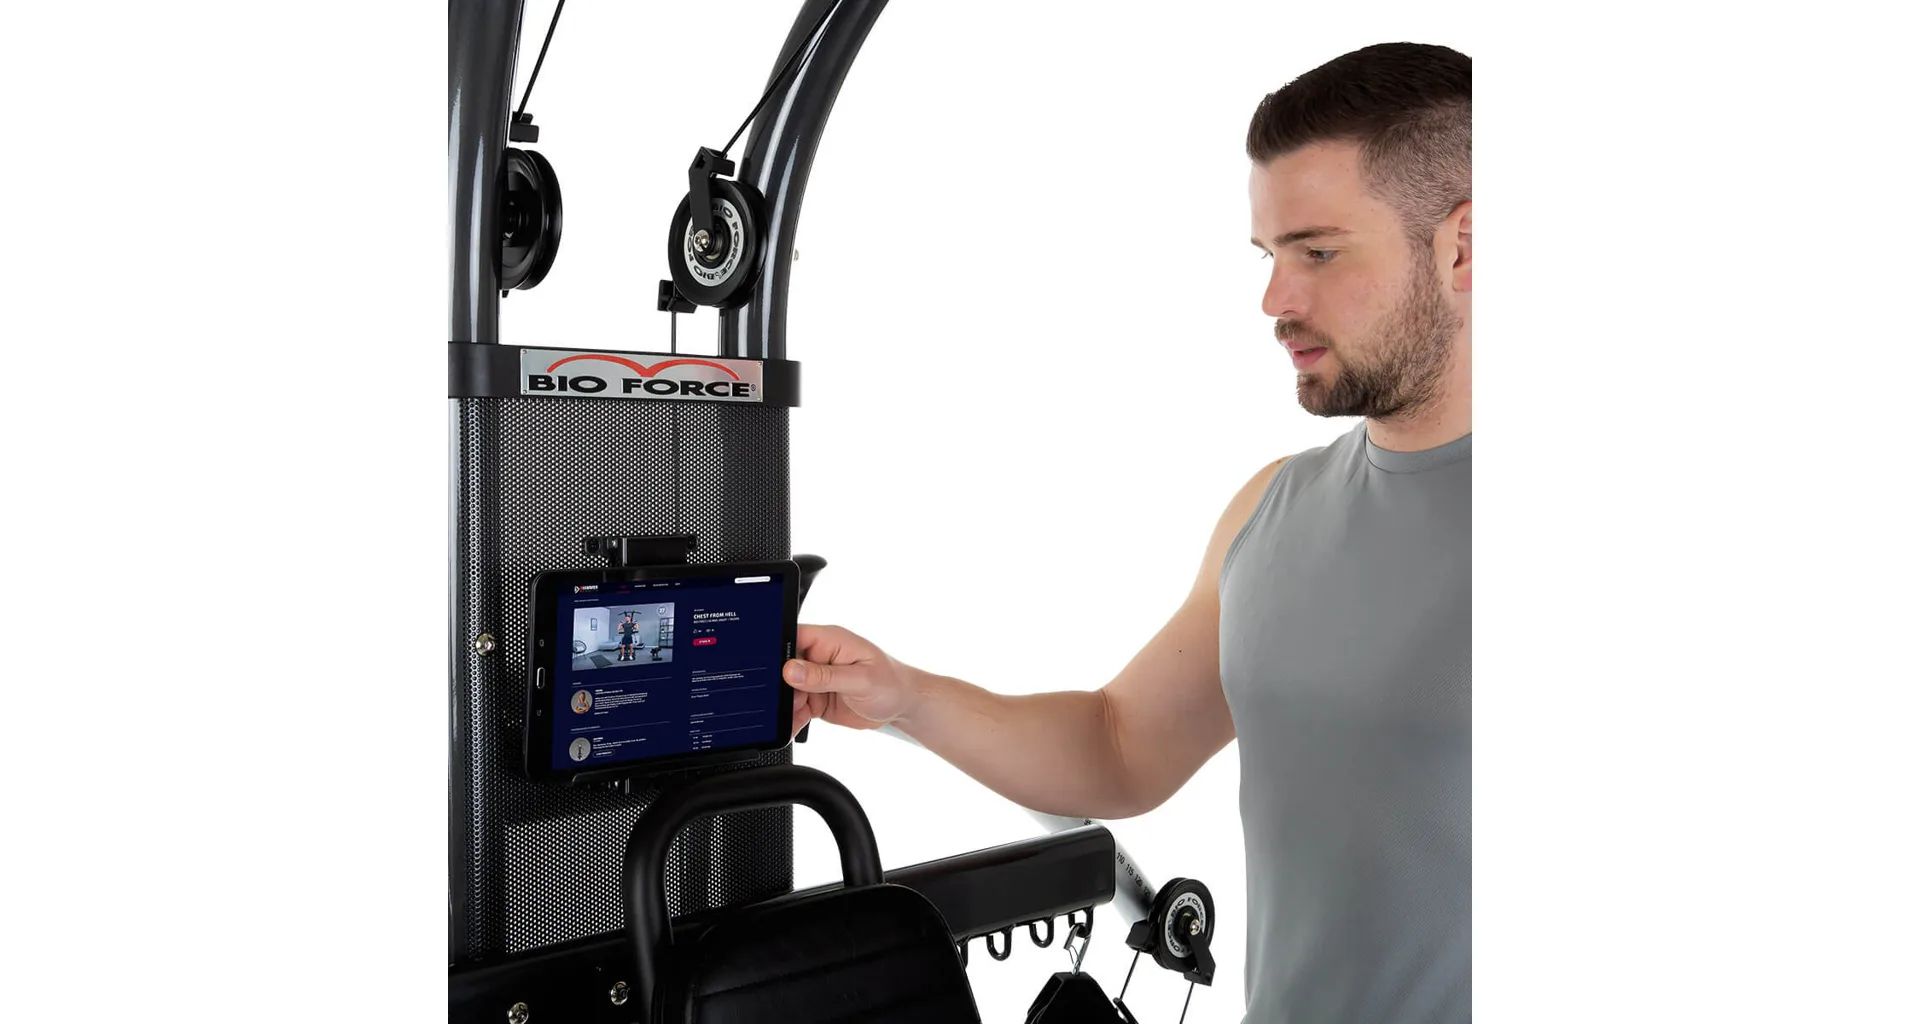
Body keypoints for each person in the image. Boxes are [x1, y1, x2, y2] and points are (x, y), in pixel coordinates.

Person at [784, 41, 1471, 1023]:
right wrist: (902, 697)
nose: (1275, 301)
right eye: (1269, 256)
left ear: (1463, 246)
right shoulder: (1273, 510)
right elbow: (1121, 745)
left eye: (1317, 252)